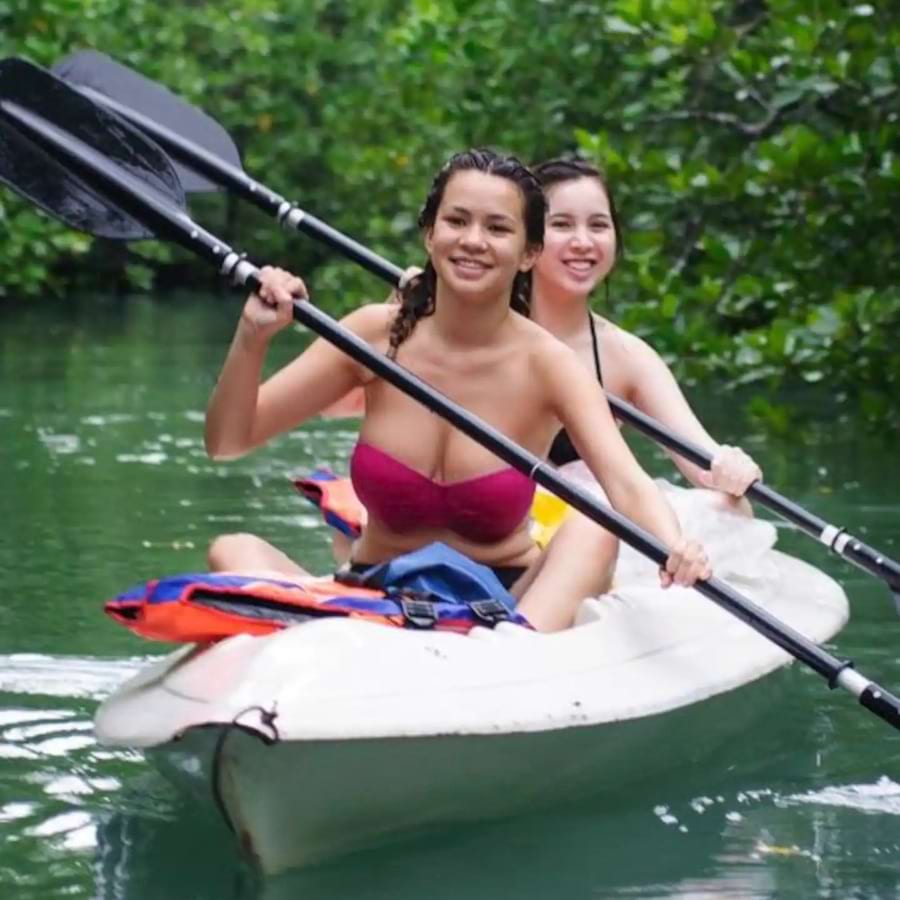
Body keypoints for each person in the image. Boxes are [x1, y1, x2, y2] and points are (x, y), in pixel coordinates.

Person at [204, 149, 711, 633]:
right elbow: (228, 441)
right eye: (457, 221)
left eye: (497, 228)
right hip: (373, 591)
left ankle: (509, 661)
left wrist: (675, 546)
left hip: (504, 604)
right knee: (234, 550)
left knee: (595, 527)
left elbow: (627, 484)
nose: (473, 241)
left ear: (530, 252)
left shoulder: (548, 363)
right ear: (429, 234)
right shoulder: (375, 335)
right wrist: (252, 337)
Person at [530, 157, 762, 503]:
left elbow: (704, 462)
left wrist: (732, 470)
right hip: (490, 524)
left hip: (584, 532)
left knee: (726, 507)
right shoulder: (478, 329)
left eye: (598, 226)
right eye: (561, 224)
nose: (583, 242)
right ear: (526, 238)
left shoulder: (627, 357)